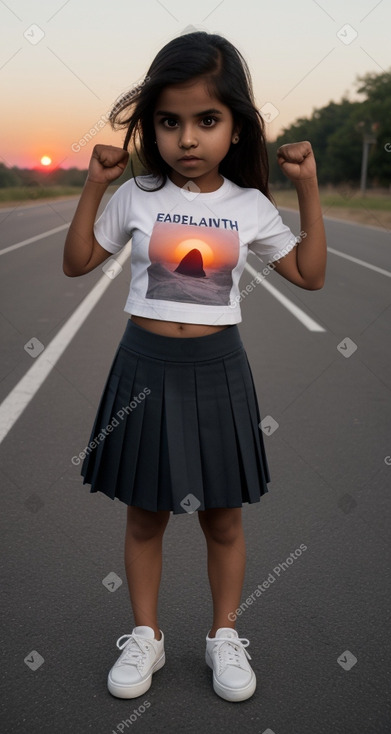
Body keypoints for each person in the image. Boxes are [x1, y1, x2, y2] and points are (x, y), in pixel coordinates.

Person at [63, 31, 326, 703]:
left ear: (235, 126)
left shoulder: (247, 207)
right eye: (169, 121)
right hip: (143, 365)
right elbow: (78, 262)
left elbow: (309, 274)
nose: (187, 137)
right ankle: (146, 637)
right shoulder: (140, 194)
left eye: (206, 120)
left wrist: (308, 190)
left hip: (217, 369)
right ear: (151, 126)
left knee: (224, 518)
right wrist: (96, 186)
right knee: (145, 514)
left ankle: (223, 635)